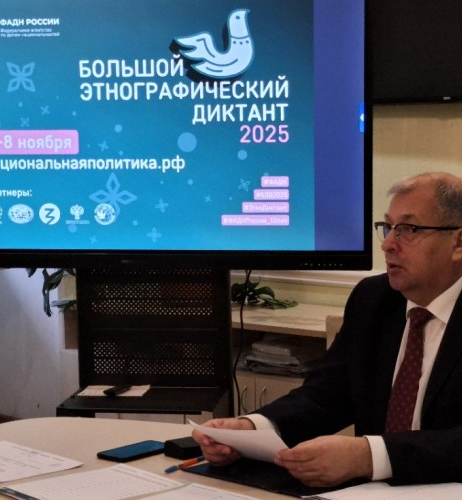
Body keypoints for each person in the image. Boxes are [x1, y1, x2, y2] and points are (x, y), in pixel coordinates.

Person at [193, 172, 462, 488]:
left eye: (408, 230)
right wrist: (252, 428)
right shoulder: (374, 299)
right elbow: (326, 396)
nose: (388, 244)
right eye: (388, 228)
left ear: (458, 243)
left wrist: (368, 456)